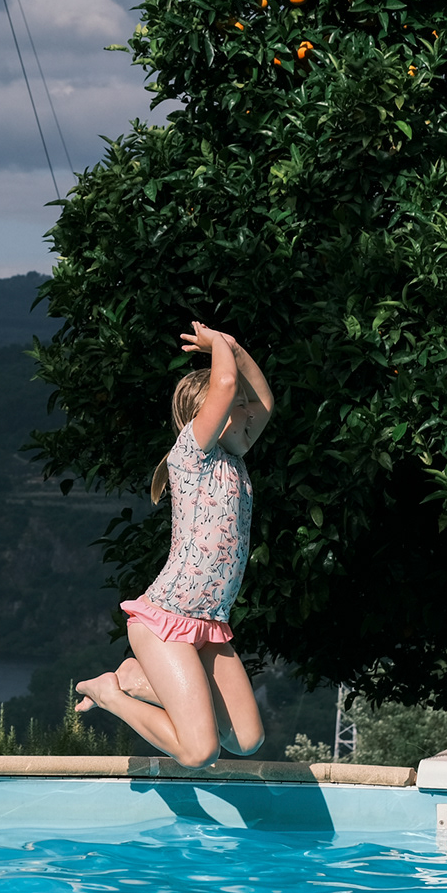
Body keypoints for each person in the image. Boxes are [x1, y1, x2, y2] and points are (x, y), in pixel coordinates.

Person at [75, 321, 274, 767]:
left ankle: (136, 678)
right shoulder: (192, 455)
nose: (248, 414)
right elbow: (226, 384)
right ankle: (111, 693)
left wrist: (233, 344)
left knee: (246, 740)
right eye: (236, 408)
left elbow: (264, 400)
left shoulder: (234, 457)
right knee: (199, 750)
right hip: (166, 620)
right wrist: (218, 344)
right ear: (206, 416)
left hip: (209, 623)